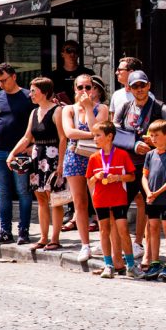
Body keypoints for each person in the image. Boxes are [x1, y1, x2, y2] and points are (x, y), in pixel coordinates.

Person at [113, 70, 166, 265]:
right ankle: (120, 256)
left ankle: (147, 255)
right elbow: (113, 133)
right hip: (127, 166)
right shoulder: (124, 108)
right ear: (128, 88)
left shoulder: (160, 108)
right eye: (135, 86)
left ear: (149, 86)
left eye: (142, 85)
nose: (139, 89)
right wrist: (134, 144)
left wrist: (158, 142)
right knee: (118, 211)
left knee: (149, 210)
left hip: (153, 167)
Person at [6, 77, 68, 251]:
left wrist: (61, 163)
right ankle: (43, 237)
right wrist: (13, 153)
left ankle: (55, 238)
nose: (31, 94)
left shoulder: (57, 111)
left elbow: (63, 139)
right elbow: (27, 137)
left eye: (34, 91)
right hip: (37, 156)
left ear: (45, 92)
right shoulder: (33, 113)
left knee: (54, 198)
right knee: (40, 197)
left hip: (53, 157)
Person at [0, 63, 36, 246]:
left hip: (20, 151)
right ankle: (5, 231)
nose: (1, 84)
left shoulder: (27, 96)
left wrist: (31, 145)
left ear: (14, 77)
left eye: (4, 80)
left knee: (23, 191)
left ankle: (24, 231)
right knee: (3, 192)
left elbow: (35, 123)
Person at [85, 121, 142, 278]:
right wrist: (96, 177)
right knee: (104, 231)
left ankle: (130, 266)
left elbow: (132, 177)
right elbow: (88, 181)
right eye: (93, 136)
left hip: (118, 199)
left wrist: (117, 177)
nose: (94, 139)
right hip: (100, 199)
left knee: (123, 230)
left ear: (109, 136)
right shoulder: (94, 158)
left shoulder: (122, 155)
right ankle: (108, 265)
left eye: (98, 135)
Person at [61, 73, 108, 260]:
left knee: (99, 202)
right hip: (74, 157)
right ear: (74, 89)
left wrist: (89, 109)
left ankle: (104, 243)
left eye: (88, 87)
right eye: (80, 87)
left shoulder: (101, 108)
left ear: (93, 89)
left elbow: (99, 131)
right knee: (80, 203)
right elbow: (69, 132)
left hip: (95, 158)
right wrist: (93, 135)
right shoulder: (68, 110)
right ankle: (85, 244)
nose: (84, 91)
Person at [141, 119, 166, 282]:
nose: (153, 138)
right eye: (151, 135)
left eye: (157, 135)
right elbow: (144, 176)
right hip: (152, 199)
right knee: (153, 229)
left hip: (165, 199)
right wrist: (149, 192)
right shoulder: (150, 155)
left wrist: (157, 192)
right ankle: (155, 261)